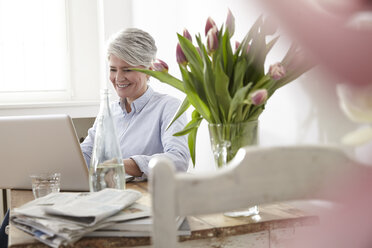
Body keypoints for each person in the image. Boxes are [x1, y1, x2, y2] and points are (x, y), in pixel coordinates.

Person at [80, 28, 190, 179]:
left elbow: (179, 160)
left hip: (149, 196)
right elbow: (86, 153)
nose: (118, 78)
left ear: (149, 70)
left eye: (127, 70)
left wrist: (122, 164)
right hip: (110, 193)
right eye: (113, 69)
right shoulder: (109, 111)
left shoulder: (169, 107)